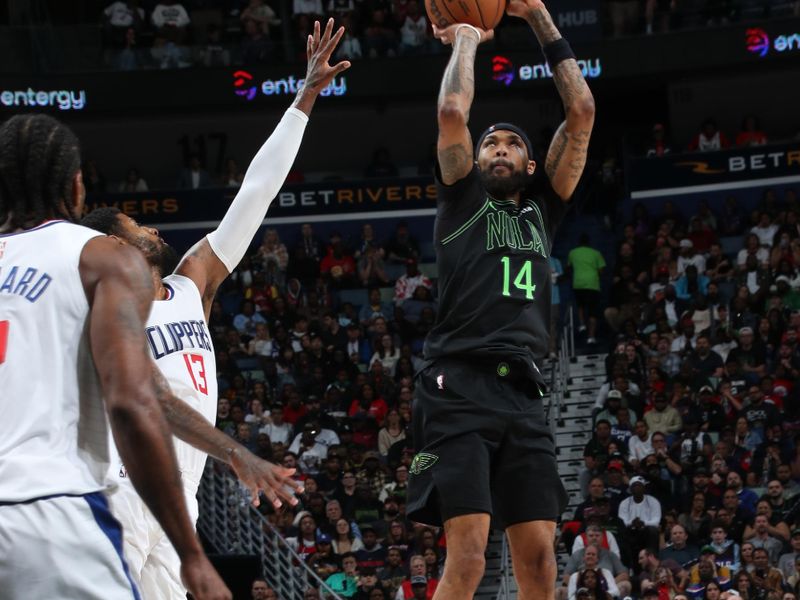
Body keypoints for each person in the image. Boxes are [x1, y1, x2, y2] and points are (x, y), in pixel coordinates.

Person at [80, 19, 350, 598]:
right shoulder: (103, 313)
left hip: (183, 492)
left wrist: (304, 97)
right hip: (122, 481)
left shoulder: (190, 284)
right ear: (118, 249)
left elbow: (256, 193)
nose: (151, 227)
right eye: (136, 225)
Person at [406, 1, 595, 599]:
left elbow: (582, 110)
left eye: (513, 144)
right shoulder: (461, 200)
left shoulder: (544, 209)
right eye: (492, 144)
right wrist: (466, 36)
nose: (499, 149)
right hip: (458, 386)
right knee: (468, 557)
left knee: (540, 562)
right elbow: (452, 110)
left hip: (525, 392)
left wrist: (537, 14)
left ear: (532, 164)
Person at [0, 114, 229, 599]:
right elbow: (132, 401)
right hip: (57, 503)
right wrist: (192, 553)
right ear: (77, 184)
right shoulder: (96, 255)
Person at [568, 233, 606, 345]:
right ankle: (591, 336)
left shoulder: (572, 252)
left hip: (578, 284)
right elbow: (601, 270)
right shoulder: (596, 253)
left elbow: (570, 268)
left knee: (580, 306)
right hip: (593, 284)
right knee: (592, 312)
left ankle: (582, 324)